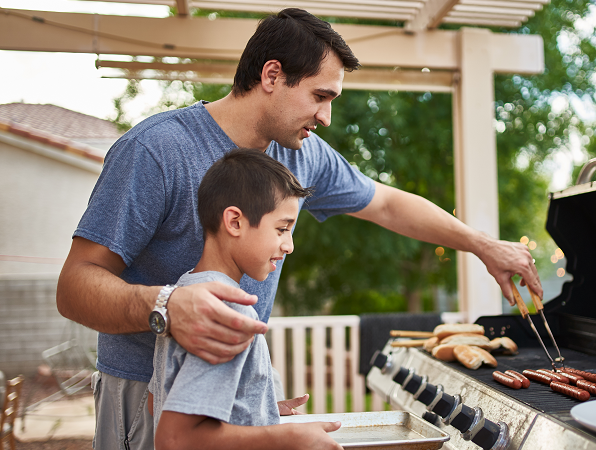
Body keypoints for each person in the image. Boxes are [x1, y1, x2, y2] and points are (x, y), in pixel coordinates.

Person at [56, 8, 542, 450]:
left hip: (227, 406)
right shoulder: (156, 150)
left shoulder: (299, 154)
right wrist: (167, 306)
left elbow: (389, 205)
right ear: (272, 75)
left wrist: (483, 246)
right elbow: (75, 286)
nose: (326, 117)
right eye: (320, 96)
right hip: (145, 395)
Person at [149, 148, 341, 450]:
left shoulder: (186, 292)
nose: (289, 245)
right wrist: (287, 437)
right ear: (234, 222)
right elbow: (175, 439)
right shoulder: (228, 309)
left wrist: (259, 411)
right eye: (282, 228)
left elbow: (156, 403)